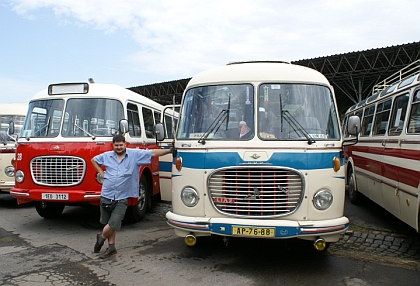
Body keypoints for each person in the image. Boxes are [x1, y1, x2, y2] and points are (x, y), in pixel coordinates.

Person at [91, 134, 172, 259]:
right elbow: (93, 160)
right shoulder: (106, 156)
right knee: (108, 223)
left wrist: (169, 150)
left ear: (125, 144)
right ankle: (111, 247)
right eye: (116, 145)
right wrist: (101, 172)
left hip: (122, 197)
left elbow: (153, 153)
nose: (119, 147)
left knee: (114, 223)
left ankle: (101, 237)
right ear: (113, 145)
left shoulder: (134, 155)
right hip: (106, 195)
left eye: (121, 145)